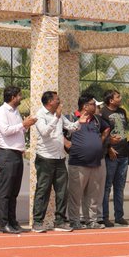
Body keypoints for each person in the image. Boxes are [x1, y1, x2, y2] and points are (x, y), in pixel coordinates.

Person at [32, 91, 77, 233]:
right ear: (50, 102)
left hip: (60, 158)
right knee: (43, 190)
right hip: (45, 158)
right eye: (57, 99)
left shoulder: (59, 115)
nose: (59, 101)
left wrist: (81, 121)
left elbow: (71, 127)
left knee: (62, 191)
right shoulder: (40, 115)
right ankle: (38, 222)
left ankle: (60, 221)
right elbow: (44, 132)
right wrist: (56, 118)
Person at [0, 85, 37, 233]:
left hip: (17, 154)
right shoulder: (1, 111)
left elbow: (19, 130)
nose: (20, 98)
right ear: (12, 97)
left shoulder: (16, 112)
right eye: (19, 96)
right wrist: (23, 124)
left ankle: (12, 222)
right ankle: (3, 223)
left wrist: (26, 126)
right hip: (7, 153)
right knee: (6, 191)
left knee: (14, 191)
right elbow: (6, 131)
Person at [67, 94, 112, 229]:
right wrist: (67, 144)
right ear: (85, 106)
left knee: (93, 195)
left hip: (96, 163)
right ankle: (75, 220)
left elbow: (107, 128)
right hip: (78, 163)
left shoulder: (97, 120)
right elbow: (58, 132)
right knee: (76, 194)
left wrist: (100, 141)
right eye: (93, 104)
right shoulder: (71, 118)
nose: (96, 106)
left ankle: (91, 221)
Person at [100, 90, 129, 227]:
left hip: (124, 154)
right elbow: (101, 133)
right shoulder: (103, 113)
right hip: (111, 155)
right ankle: (104, 217)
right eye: (118, 96)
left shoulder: (122, 111)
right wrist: (108, 148)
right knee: (107, 187)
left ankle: (119, 216)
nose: (120, 98)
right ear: (111, 100)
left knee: (120, 187)